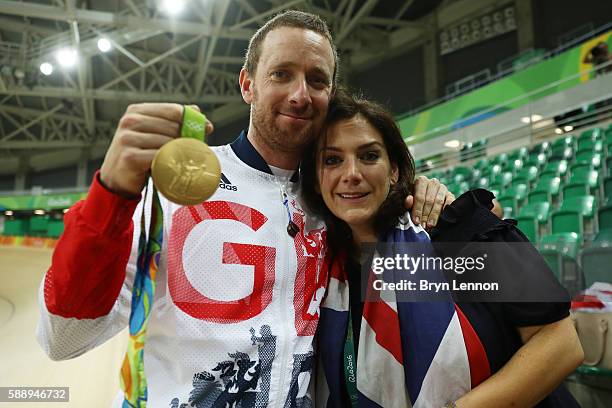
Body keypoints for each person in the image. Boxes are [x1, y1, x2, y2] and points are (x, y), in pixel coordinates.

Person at [35, 11, 453, 408]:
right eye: (281, 74)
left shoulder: (337, 203)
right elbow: (65, 339)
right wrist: (111, 194)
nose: (300, 94)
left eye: (317, 80)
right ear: (247, 84)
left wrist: (418, 195)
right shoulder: (173, 189)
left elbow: (500, 280)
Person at [300, 89, 584, 407]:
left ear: (393, 169)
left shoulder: (460, 232)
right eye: (332, 160)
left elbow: (561, 342)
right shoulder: (321, 270)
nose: (351, 174)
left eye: (369, 156)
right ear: (315, 180)